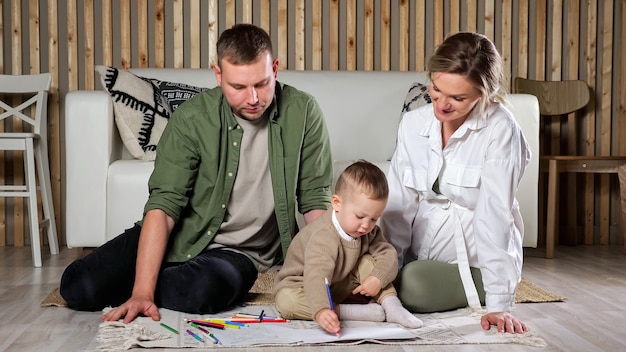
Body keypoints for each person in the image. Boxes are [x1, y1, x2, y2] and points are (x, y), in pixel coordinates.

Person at [59, 23, 333, 324]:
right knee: (78, 287)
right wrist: (141, 291)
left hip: (241, 254)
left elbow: (314, 203)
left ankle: (151, 276)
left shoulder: (303, 111)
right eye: (238, 87)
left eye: (261, 83)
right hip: (181, 235)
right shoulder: (192, 118)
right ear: (218, 75)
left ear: (276, 69)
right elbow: (164, 207)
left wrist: (325, 270)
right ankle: (148, 274)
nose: (253, 98)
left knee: (204, 290)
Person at [380, 32, 531, 334]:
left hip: (470, 259)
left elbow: (494, 216)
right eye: (436, 89)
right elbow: (398, 207)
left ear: (483, 94)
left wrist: (499, 304)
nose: (442, 104)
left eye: (458, 98)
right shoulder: (413, 125)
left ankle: (484, 286)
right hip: (420, 254)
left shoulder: (501, 129)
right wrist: (385, 270)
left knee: (414, 286)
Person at [274, 160, 423, 335]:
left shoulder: (368, 230)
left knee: (368, 261)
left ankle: (392, 306)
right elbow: (316, 276)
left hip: (339, 282)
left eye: (374, 218)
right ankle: (347, 312)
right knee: (287, 301)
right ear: (337, 203)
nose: (366, 225)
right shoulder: (323, 236)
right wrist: (322, 310)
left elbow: (388, 254)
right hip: (305, 285)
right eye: (360, 216)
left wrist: (377, 278)